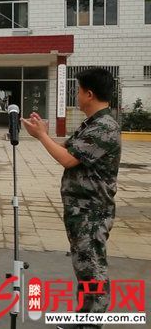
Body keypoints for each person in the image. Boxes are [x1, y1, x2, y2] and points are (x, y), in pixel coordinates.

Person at [22, 68, 121, 326]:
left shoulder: (104, 128)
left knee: (93, 268)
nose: (76, 95)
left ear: (89, 94)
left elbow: (67, 159)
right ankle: (83, 318)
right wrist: (43, 132)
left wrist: (42, 136)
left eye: (78, 91)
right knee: (84, 266)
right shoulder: (92, 124)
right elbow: (67, 148)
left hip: (93, 211)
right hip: (81, 210)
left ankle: (91, 322)